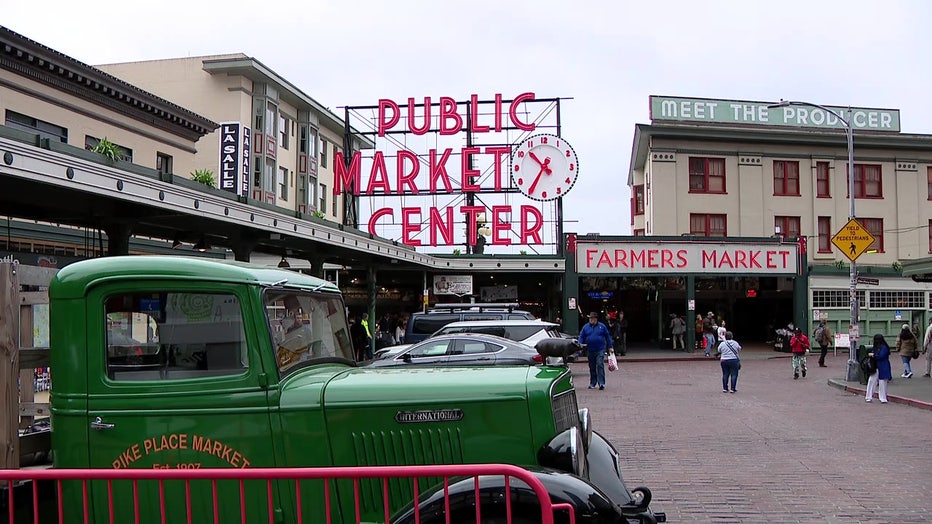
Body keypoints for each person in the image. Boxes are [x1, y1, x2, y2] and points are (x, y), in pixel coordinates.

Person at [578, 312, 613, 390]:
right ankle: (593, 382)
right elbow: (581, 336)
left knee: (600, 364)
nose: (591, 320)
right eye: (590, 318)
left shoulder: (602, 326)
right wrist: (579, 345)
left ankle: (601, 383)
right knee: (592, 366)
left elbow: (607, 336)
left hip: (600, 349)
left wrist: (610, 346)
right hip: (590, 350)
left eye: (593, 318)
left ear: (596, 319)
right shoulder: (586, 327)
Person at [865, 333, 892, 403]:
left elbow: (881, 356)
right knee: (878, 382)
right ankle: (880, 397)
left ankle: (874, 397)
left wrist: (873, 355)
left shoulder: (882, 347)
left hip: (880, 366)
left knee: (878, 381)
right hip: (880, 366)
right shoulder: (883, 347)